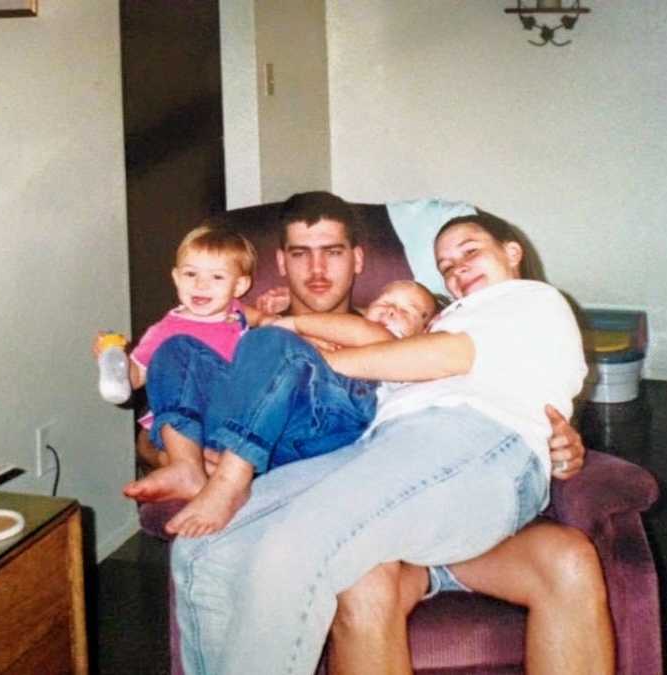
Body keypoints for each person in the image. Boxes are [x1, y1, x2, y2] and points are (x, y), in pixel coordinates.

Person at [137, 192, 611, 673]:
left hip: (450, 453)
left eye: (470, 251)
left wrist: (304, 363)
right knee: (205, 548)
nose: (458, 269)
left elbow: (449, 359)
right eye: (445, 265)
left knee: (294, 548)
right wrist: (185, 456)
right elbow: (176, 402)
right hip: (383, 469)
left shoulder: (523, 300)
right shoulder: (247, 328)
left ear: (512, 252)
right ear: (281, 262)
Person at [127, 279, 439, 537]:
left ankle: (230, 482)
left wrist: (288, 325)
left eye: (409, 311)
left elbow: (369, 334)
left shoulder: (395, 347)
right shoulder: (323, 329)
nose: (392, 310)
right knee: (177, 349)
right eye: (385, 300)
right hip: (266, 421)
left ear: (425, 333)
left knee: (270, 342)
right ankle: (187, 466)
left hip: (330, 420)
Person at [95, 224, 267, 502]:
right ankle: (186, 468)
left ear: (240, 285)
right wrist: (116, 363)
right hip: (185, 426)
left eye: (217, 277)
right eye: (190, 274)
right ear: (176, 278)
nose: (201, 285)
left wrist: (272, 312)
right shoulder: (166, 329)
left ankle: (214, 477)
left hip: (232, 422)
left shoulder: (238, 316)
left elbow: (262, 323)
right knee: (175, 357)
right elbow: (137, 377)